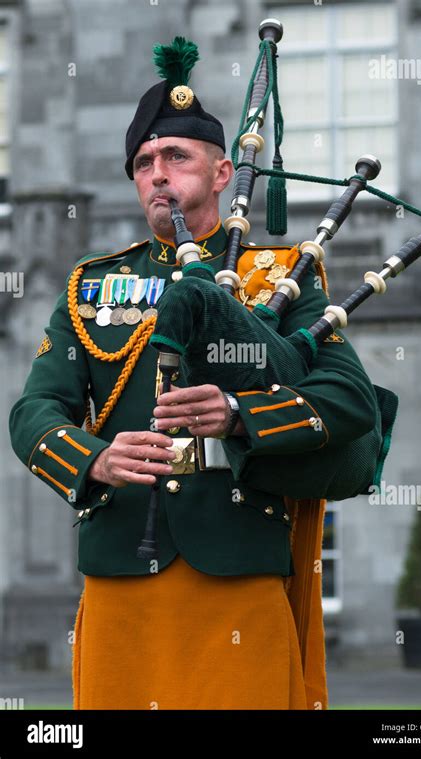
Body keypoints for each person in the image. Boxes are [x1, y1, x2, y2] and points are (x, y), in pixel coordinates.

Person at [9, 37, 379, 710]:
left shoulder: (285, 277)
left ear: (219, 174)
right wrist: (96, 458)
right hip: (121, 565)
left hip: (238, 562)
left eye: (176, 157)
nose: (157, 173)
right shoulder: (92, 288)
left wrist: (239, 418)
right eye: (144, 162)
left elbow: (350, 402)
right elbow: (33, 412)